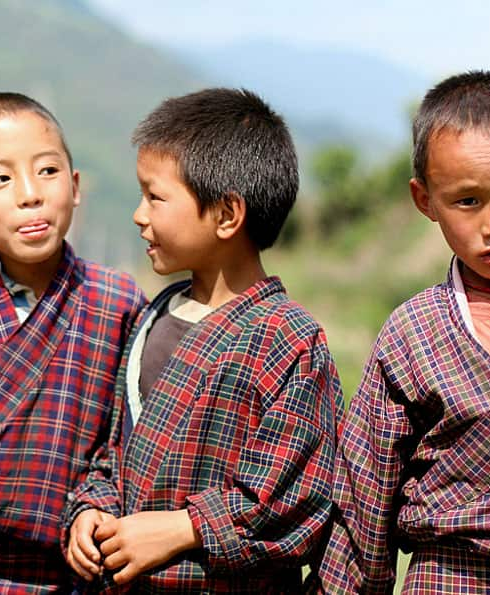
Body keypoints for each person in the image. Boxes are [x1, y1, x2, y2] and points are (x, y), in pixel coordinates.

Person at [64, 88, 343, 592]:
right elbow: (113, 450)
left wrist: (182, 528)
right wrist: (92, 508)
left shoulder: (290, 340)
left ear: (227, 215)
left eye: (155, 196)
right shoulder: (151, 317)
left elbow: (295, 497)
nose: (138, 215)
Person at [313, 70, 490, 593]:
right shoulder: (414, 332)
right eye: (468, 202)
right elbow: (363, 496)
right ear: (426, 201)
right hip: (450, 579)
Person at [0, 92, 146, 592]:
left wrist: (95, 505)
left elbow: (123, 441)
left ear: (74, 187)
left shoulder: (116, 301)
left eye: (47, 172)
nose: (30, 194)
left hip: (72, 574)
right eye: (1, 179)